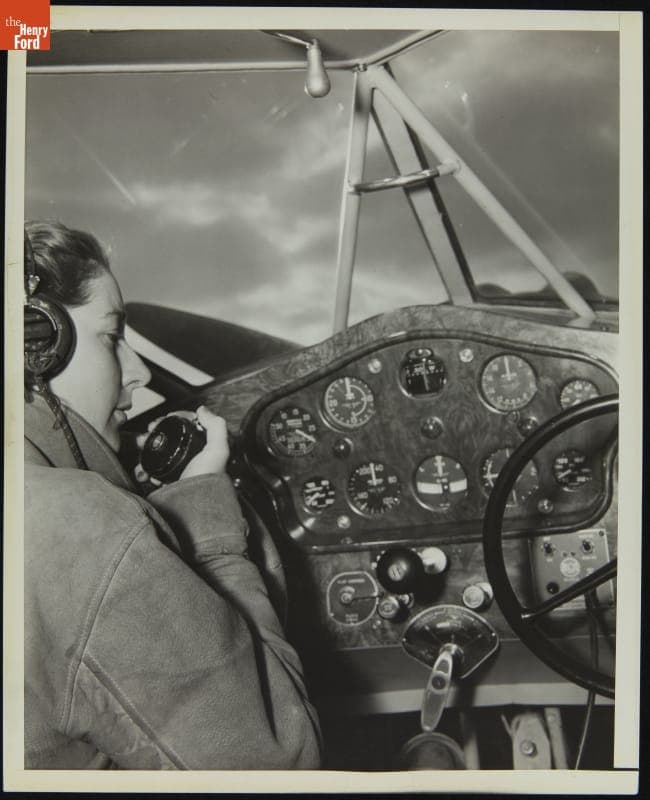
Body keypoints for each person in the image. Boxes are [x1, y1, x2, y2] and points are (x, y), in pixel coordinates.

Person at [23, 220, 322, 770]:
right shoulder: (90, 532)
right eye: (112, 338)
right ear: (36, 344)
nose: (137, 374)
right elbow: (283, 765)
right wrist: (207, 518)